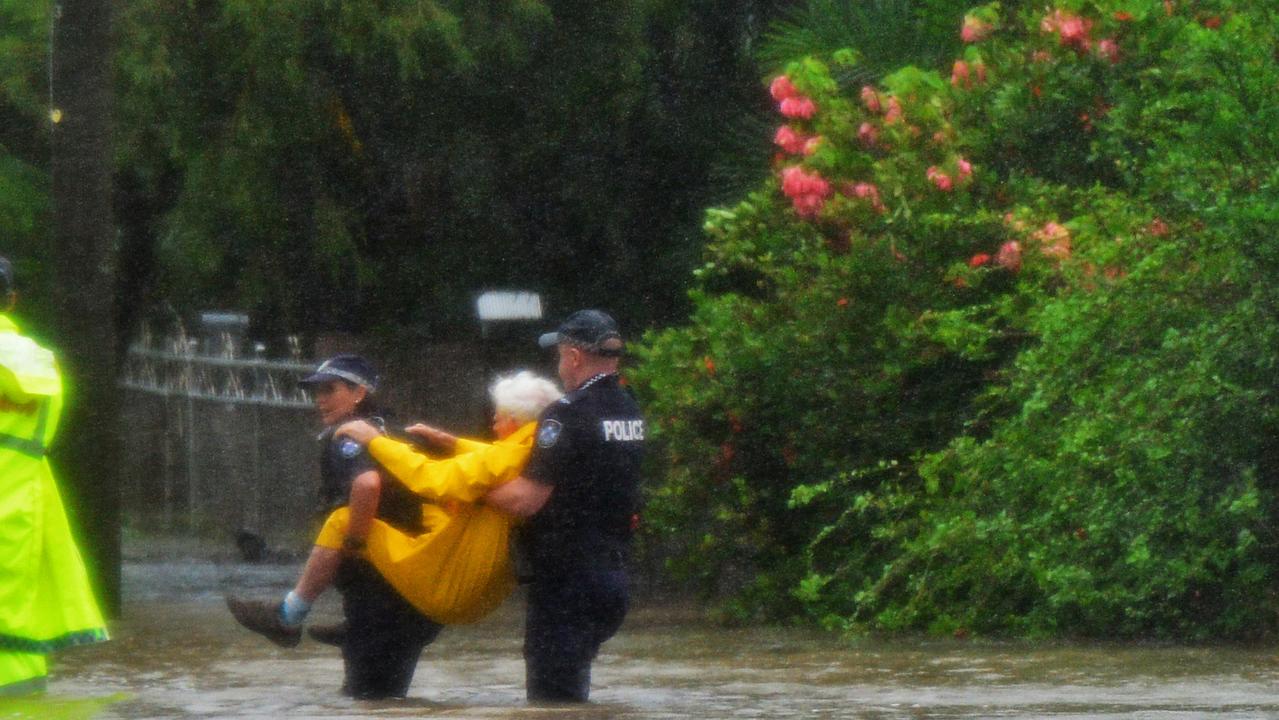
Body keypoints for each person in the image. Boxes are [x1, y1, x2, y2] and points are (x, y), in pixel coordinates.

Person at [229, 370, 560, 644]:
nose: (493, 427)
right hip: (488, 587)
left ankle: (289, 616)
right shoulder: (537, 443)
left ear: (514, 422)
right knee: (416, 504)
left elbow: (432, 477)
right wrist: (454, 443)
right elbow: (494, 459)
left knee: (343, 522)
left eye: (498, 420)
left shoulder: (503, 454)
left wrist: (375, 441)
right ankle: (357, 620)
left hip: (456, 587)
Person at [228, 354, 441, 699]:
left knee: (368, 701)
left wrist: (355, 543)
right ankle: (343, 628)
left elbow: (367, 485)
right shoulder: (395, 431)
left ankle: (294, 618)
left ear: (359, 393)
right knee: (390, 699)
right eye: (317, 391)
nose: (320, 399)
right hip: (412, 591)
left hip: (379, 594)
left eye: (330, 389)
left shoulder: (350, 436)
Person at [484, 309, 646, 703]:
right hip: (612, 579)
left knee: (551, 702)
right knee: (573, 695)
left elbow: (527, 499)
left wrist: (468, 487)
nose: (558, 366)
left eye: (559, 355)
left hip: (567, 583)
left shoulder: (566, 414)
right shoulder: (629, 408)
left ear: (574, 356)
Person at [0, 256, 108, 695]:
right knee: (15, 607)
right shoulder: (37, 357)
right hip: (19, 504)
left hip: (17, 500)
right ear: (12, 299)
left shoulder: (25, 357)